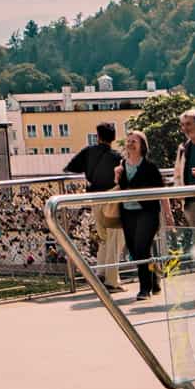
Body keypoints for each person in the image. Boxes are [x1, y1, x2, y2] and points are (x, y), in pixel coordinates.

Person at [65, 122, 124, 290]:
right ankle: (112, 280)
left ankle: (101, 273)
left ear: (97, 136)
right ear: (113, 138)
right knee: (115, 239)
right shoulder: (117, 156)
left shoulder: (88, 152)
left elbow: (71, 167)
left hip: (94, 198)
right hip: (111, 198)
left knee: (103, 238)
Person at [116, 130, 170, 301]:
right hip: (128, 213)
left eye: (134, 141)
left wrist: (168, 213)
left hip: (147, 212)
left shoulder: (149, 167)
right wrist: (117, 176)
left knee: (141, 249)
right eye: (129, 141)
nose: (130, 144)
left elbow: (161, 191)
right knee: (135, 250)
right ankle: (154, 278)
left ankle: (144, 289)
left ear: (142, 145)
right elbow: (119, 188)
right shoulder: (122, 165)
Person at [174, 109, 195, 234]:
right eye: (182, 125)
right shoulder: (183, 148)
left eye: (188, 124)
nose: (185, 128)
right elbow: (177, 174)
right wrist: (178, 193)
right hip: (190, 203)